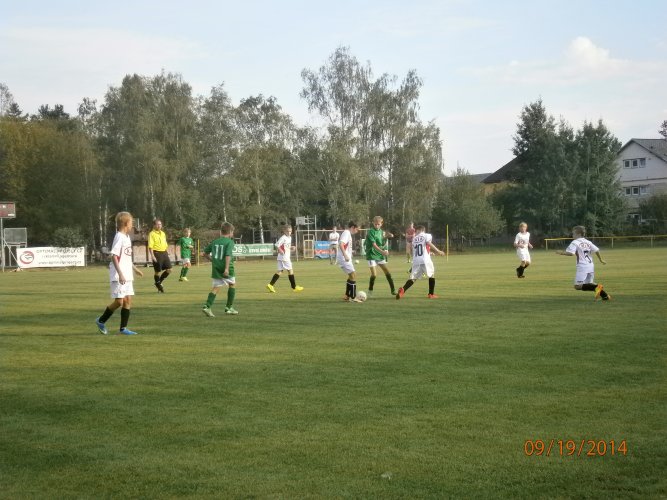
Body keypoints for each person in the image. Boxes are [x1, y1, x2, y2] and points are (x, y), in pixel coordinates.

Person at [95, 211, 144, 335]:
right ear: (126, 223)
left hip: (127, 274)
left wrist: (134, 269)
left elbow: (125, 257)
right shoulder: (119, 237)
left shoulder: (127, 237)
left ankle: (123, 329)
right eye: (132, 222)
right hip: (119, 275)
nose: (132, 225)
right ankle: (101, 320)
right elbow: (114, 256)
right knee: (119, 301)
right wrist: (120, 273)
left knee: (128, 300)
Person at [556, 225, 611, 300]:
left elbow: (571, 253)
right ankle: (605, 296)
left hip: (582, 266)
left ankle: (597, 287)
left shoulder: (575, 242)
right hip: (590, 265)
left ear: (578, 234)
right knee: (589, 283)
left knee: (577, 286)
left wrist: (561, 252)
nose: (572, 235)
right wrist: (601, 260)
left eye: (573, 233)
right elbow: (597, 250)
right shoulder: (588, 242)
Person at [396, 225, 445, 300]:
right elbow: (428, 243)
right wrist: (438, 251)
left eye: (416, 231)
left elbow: (417, 249)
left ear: (418, 230)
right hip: (425, 260)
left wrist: (429, 253)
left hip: (416, 260)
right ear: (423, 230)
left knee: (413, 278)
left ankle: (403, 290)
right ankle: (431, 294)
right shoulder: (427, 235)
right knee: (431, 275)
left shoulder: (414, 239)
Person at [201, 221, 239, 316]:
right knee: (232, 284)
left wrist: (213, 260)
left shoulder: (215, 242)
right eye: (232, 232)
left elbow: (204, 253)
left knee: (216, 287)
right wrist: (226, 269)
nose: (232, 234)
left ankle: (207, 306)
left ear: (221, 232)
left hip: (216, 267)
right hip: (226, 267)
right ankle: (228, 307)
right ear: (230, 232)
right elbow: (227, 255)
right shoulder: (230, 242)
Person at [364, 215, 396, 297]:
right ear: (373, 223)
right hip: (371, 255)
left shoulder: (382, 232)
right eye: (375, 224)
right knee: (374, 274)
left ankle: (393, 290)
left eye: (378, 224)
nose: (377, 225)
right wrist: (382, 251)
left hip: (379, 255)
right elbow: (374, 244)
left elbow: (381, 242)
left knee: (387, 272)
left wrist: (387, 237)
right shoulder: (371, 232)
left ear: (381, 224)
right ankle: (370, 290)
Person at [266, 224, 304, 293]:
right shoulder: (283, 237)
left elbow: (285, 246)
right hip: (284, 257)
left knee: (280, 271)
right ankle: (294, 287)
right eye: (287, 231)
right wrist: (280, 250)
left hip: (282, 257)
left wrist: (291, 247)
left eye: (290, 231)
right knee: (290, 270)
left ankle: (270, 285)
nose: (289, 232)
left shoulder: (289, 237)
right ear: (284, 231)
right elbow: (277, 244)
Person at [337, 221, 362, 302]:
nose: (357, 231)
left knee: (351, 276)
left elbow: (345, 246)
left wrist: (350, 252)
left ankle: (347, 295)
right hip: (344, 259)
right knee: (353, 275)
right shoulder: (346, 233)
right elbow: (341, 244)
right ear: (353, 227)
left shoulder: (347, 234)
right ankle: (353, 297)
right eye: (357, 229)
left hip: (345, 258)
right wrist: (345, 255)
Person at [148, 218, 172, 293]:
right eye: (157, 224)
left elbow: (165, 244)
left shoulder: (163, 233)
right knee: (157, 271)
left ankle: (159, 282)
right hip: (157, 253)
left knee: (169, 269)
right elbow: (150, 246)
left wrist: (167, 252)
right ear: (154, 225)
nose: (159, 226)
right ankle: (158, 285)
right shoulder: (151, 234)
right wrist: (152, 256)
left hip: (164, 252)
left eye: (160, 224)